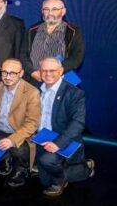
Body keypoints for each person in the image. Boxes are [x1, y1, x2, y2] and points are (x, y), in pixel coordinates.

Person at [34, 57, 93, 197]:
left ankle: (80, 172)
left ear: (61, 71)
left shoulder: (75, 93)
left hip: (64, 137)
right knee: (44, 180)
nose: (48, 74)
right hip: (42, 137)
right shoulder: (36, 90)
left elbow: (78, 123)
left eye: (52, 70)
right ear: (40, 72)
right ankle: (72, 168)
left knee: (46, 162)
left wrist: (58, 143)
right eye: (44, 70)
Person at [0, 58, 40, 188]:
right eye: (4, 72)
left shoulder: (32, 92)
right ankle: (6, 159)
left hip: (19, 132)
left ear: (21, 73)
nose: (7, 77)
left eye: (13, 73)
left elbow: (32, 123)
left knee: (19, 150)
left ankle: (21, 169)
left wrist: (12, 139)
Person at [25, 0, 85, 84]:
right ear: (42, 11)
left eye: (55, 9)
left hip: (58, 81)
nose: (50, 13)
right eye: (46, 9)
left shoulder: (73, 31)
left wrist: (55, 72)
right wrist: (32, 72)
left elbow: (76, 57)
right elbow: (22, 54)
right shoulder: (32, 30)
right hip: (33, 79)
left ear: (63, 11)